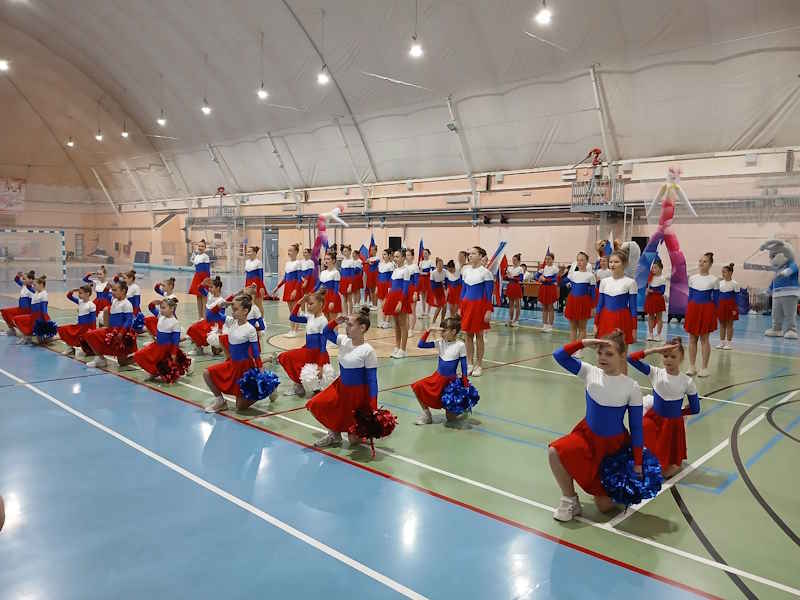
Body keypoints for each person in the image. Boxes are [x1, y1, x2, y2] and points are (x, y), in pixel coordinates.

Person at [548, 331, 643, 522]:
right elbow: (559, 355)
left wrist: (638, 464)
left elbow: (636, 428)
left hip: (613, 448)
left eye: (609, 354)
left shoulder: (631, 387)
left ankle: (615, 487)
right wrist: (583, 342)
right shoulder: (590, 372)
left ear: (622, 355)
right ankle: (570, 499)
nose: (602, 357)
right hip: (586, 437)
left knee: (604, 507)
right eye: (600, 353)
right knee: (554, 452)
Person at [306, 307, 379, 448]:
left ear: (362, 328)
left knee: (353, 441)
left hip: (357, 395)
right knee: (314, 404)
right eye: (346, 324)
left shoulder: (368, 351)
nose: (347, 328)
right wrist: (335, 322)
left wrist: (373, 407)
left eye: (350, 325)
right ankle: (334, 434)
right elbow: (326, 332)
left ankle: (355, 433)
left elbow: (372, 380)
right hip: (340, 387)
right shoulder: (343, 340)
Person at [627, 339, 699, 477]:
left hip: (672, 424)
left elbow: (695, 408)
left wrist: (681, 412)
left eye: (673, 356)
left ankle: (673, 463)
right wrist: (654, 350)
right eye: (665, 355)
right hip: (653, 419)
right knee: (642, 433)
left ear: (681, 358)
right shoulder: (655, 372)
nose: (668, 360)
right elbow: (631, 359)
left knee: (665, 472)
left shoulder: (687, 382)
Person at [203, 295, 264, 413]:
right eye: (232, 309)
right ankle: (220, 401)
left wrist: (261, 370)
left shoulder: (250, 329)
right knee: (207, 373)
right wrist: (219, 306)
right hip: (232, 364)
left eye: (235, 309)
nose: (232, 311)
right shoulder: (231, 322)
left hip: (244, 368)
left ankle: (264, 391)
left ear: (245, 311)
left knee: (240, 407)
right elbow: (209, 316)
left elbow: (256, 352)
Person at [411, 317, 469, 424]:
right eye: (441, 330)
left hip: (450, 383)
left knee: (450, 419)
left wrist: (465, 384)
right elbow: (421, 344)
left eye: (444, 330)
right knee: (417, 386)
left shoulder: (460, 345)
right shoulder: (440, 343)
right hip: (437, 378)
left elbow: (464, 366)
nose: (441, 333)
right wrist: (428, 331)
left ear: (453, 331)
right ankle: (427, 415)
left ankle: (461, 407)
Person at [278, 290, 336, 397]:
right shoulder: (310, 317)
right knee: (285, 357)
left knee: (317, 388)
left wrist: (321, 365)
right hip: (308, 350)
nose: (308, 306)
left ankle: (302, 385)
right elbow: (292, 317)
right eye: (308, 304)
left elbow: (323, 345)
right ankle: (299, 384)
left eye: (311, 304)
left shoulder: (323, 321)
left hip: (317, 353)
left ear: (321, 304)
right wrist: (300, 302)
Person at [84, 281, 136, 367]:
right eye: (112, 290)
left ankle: (140, 357)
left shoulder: (127, 304)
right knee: (89, 335)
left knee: (122, 362)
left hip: (121, 333)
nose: (112, 292)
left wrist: (121, 333)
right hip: (110, 330)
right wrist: (107, 288)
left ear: (123, 291)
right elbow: (104, 296)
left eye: (115, 290)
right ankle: (101, 359)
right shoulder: (114, 300)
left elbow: (128, 320)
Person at [460, 246, 493, 376]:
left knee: (479, 335)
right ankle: (469, 363)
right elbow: (463, 291)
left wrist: (488, 311)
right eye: (469, 254)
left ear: (480, 256)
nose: (470, 256)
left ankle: (479, 365)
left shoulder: (486, 273)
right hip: (467, 306)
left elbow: (489, 295)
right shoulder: (466, 271)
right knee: (468, 335)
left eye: (473, 253)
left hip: (479, 307)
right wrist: (461, 307)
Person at [685, 252, 718, 377]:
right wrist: (688, 311)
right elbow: (690, 297)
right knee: (692, 338)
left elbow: (716, 300)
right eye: (700, 261)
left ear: (710, 264)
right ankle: (692, 366)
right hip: (693, 309)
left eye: (705, 261)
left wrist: (713, 314)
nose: (701, 263)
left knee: (704, 339)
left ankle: (704, 367)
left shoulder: (714, 280)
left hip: (707, 310)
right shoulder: (692, 278)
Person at [595, 249, 638, 345]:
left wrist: (634, 329)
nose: (612, 264)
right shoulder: (604, 282)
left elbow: (633, 308)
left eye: (616, 262)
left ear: (624, 264)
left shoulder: (631, 282)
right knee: (605, 348)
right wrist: (596, 323)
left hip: (623, 319)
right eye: (611, 262)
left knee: (621, 349)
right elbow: (600, 304)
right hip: (605, 319)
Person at [133, 297, 182, 381]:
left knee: (165, 366)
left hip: (166, 349)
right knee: (138, 355)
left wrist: (173, 353)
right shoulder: (161, 316)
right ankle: (154, 372)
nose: (161, 310)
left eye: (164, 308)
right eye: (161, 308)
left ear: (172, 309)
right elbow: (151, 307)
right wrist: (154, 302)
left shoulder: (175, 322)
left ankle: (156, 372)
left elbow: (176, 340)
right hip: (157, 346)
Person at [186, 276, 227, 356]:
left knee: (215, 352)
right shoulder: (209, 295)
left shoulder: (221, 301)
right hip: (207, 322)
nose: (209, 289)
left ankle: (220, 347)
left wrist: (219, 329)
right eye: (209, 287)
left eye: (211, 287)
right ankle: (199, 349)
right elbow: (200, 289)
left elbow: (221, 317)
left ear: (218, 288)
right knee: (194, 328)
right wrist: (202, 284)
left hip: (215, 324)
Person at [565, 252, 596, 351]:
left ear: (587, 262)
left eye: (582, 260)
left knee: (582, 328)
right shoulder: (573, 274)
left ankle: (578, 349)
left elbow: (593, 293)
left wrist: (593, 307)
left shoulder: (590, 276)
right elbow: (562, 283)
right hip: (572, 301)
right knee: (573, 328)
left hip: (584, 302)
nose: (579, 262)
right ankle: (572, 349)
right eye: (578, 260)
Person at [383, 250, 411, 358]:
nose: (395, 258)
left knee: (403, 324)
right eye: (394, 256)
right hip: (392, 298)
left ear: (403, 258)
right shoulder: (395, 270)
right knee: (396, 325)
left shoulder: (406, 270)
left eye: (397, 256)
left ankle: (403, 350)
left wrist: (400, 302)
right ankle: (397, 347)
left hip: (401, 299)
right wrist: (386, 298)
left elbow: (405, 288)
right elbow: (390, 286)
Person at [58, 284, 96, 356]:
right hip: (79, 326)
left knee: (84, 342)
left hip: (86, 328)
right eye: (79, 293)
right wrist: (72, 291)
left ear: (87, 294)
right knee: (64, 329)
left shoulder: (91, 305)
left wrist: (93, 331)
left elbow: (93, 320)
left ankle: (88, 350)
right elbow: (69, 296)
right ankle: (70, 349)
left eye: (81, 293)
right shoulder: (80, 301)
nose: (79, 295)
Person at [274, 243, 302, 337]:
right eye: (288, 250)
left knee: (295, 310)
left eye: (291, 250)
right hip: (288, 287)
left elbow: (299, 279)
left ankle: (296, 330)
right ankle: (291, 329)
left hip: (295, 287)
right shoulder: (287, 263)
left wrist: (295, 290)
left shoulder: (298, 263)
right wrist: (277, 287)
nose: (289, 252)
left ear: (296, 252)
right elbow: (285, 278)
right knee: (290, 311)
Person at [12, 275, 50, 345]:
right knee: (17, 319)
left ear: (41, 285)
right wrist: (27, 279)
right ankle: (27, 336)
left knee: (41, 340)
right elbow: (28, 286)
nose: (33, 286)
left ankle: (56, 337)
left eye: (35, 285)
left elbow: (44, 309)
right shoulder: (36, 292)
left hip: (39, 318)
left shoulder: (44, 294)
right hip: (33, 316)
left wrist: (46, 320)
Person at [1, 270, 35, 336]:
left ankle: (27, 333)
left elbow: (30, 287)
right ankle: (12, 330)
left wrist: (25, 277)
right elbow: (16, 280)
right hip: (21, 309)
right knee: (4, 311)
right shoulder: (24, 285)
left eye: (24, 279)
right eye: (23, 279)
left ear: (31, 280)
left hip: (27, 311)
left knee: (15, 318)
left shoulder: (32, 289)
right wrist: (18, 275)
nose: (22, 280)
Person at [716, 263, 739, 350]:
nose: (723, 274)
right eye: (722, 272)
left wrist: (735, 309)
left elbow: (737, 297)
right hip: (721, 305)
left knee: (729, 325)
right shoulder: (720, 283)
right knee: (722, 324)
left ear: (730, 273)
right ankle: (722, 342)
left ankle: (729, 343)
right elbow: (717, 295)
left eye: (724, 272)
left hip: (731, 306)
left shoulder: (735, 284)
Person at [645, 258, 667, 341]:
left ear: (660, 269)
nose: (653, 269)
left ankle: (658, 334)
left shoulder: (662, 278)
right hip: (650, 299)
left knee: (659, 318)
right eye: (652, 268)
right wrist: (647, 291)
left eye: (655, 267)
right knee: (650, 317)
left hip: (658, 299)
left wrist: (652, 291)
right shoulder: (650, 278)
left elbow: (662, 291)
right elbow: (647, 288)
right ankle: (650, 334)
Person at [535, 253, 559, 331]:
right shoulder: (543, 268)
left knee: (550, 307)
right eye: (546, 259)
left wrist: (546, 279)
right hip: (543, 288)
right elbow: (535, 276)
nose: (547, 260)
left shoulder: (555, 269)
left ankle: (550, 325)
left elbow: (555, 279)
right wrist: (539, 278)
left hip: (550, 288)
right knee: (544, 307)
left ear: (553, 260)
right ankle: (544, 324)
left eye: (549, 259)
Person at [188, 239, 211, 319]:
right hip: (197, 277)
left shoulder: (206, 257)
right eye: (199, 246)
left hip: (204, 278)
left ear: (205, 248)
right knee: (198, 297)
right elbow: (195, 265)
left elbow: (207, 270)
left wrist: (207, 281)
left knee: (204, 298)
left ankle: (204, 317)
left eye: (202, 246)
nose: (200, 247)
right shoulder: (196, 256)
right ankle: (199, 317)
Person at [317, 252, 342, 320]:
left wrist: (332, 301)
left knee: (332, 321)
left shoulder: (336, 272)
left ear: (333, 260)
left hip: (333, 297)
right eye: (325, 259)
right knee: (325, 320)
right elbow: (317, 286)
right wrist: (310, 294)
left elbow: (336, 289)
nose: (326, 261)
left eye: (328, 259)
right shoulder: (323, 272)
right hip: (324, 297)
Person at [244, 245, 267, 315]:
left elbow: (261, 276)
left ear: (254, 252)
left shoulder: (258, 262)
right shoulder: (247, 262)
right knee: (249, 303)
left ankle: (262, 319)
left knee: (258, 304)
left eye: (249, 251)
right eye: (247, 252)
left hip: (256, 284)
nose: (247, 253)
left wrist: (261, 287)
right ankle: (251, 319)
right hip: (248, 283)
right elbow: (247, 274)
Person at [376, 249, 394, 328]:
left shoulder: (391, 265)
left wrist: (390, 287)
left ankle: (387, 321)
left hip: (387, 286)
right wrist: (377, 287)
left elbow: (392, 277)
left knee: (387, 304)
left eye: (385, 254)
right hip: (380, 285)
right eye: (383, 254)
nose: (383, 256)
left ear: (389, 255)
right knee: (381, 305)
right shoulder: (380, 264)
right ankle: (382, 320)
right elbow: (378, 276)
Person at [505, 254, 524, 327]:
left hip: (516, 286)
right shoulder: (509, 268)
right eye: (513, 260)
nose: (513, 261)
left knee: (517, 304)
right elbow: (506, 278)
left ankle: (516, 320)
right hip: (510, 286)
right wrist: (506, 276)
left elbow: (521, 279)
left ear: (518, 261)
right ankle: (510, 319)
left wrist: (512, 277)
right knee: (511, 304)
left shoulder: (520, 269)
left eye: (515, 260)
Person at [428, 258, 447, 326]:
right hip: (435, 290)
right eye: (439, 264)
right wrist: (434, 297)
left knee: (445, 306)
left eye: (442, 264)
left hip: (442, 289)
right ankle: (434, 320)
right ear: (436, 265)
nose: (441, 266)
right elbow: (432, 285)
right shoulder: (433, 273)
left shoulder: (445, 271)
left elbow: (446, 282)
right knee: (439, 307)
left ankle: (442, 320)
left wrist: (445, 289)